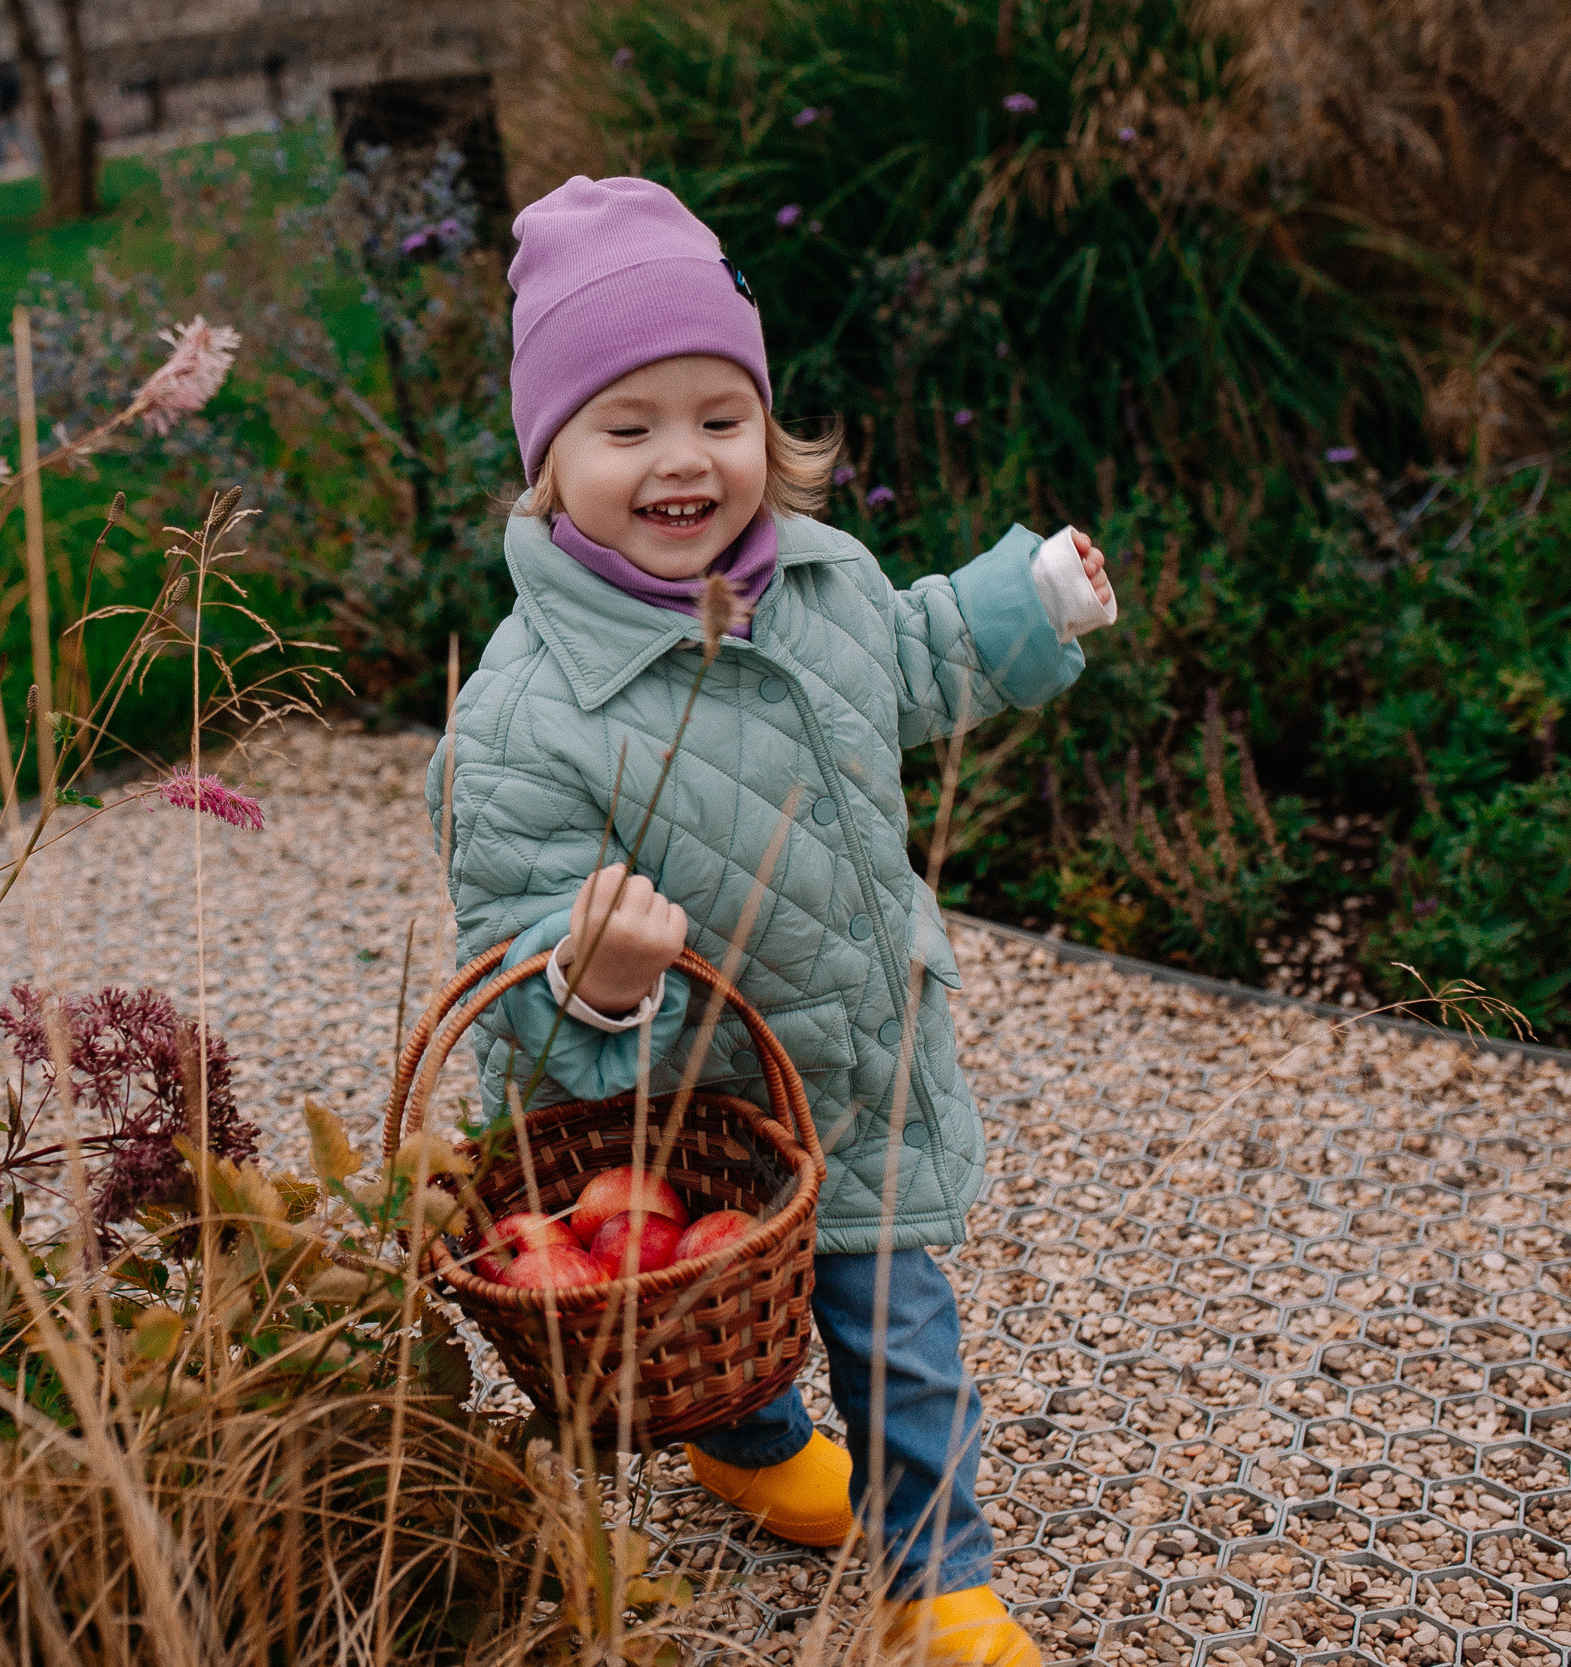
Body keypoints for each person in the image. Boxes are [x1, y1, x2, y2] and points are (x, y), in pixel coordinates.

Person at [426, 177, 1117, 1667]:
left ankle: (941, 1583)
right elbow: (512, 943)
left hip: (864, 1061)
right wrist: (595, 979)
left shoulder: (819, 579)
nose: (686, 461)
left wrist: (1023, 606)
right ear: (551, 463)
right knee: (718, 1297)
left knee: (897, 1331)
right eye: (629, 428)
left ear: (770, 431)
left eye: (720, 416)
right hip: (686, 1101)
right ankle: (742, 1439)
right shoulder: (527, 717)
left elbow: (910, 664)